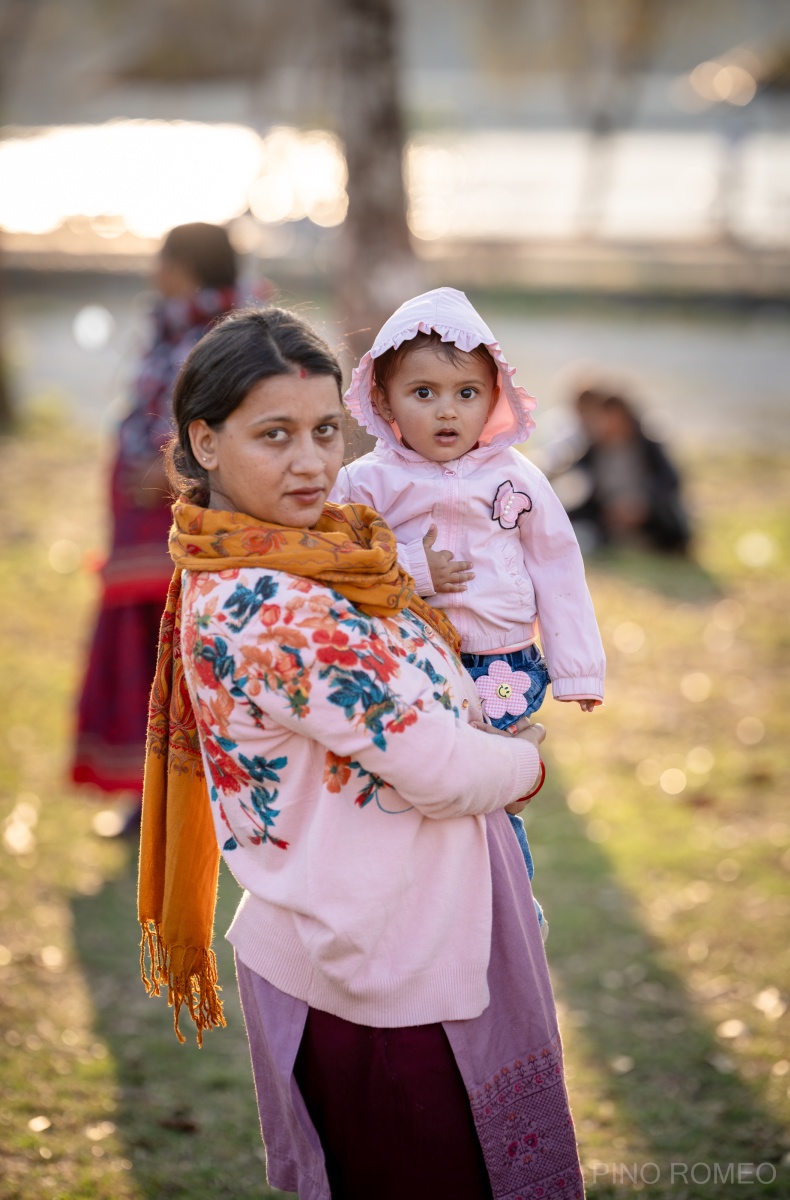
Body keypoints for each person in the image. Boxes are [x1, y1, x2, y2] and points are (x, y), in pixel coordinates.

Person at [138, 307, 587, 1200]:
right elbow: (440, 768)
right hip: (373, 976)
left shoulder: (318, 557)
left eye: (323, 432)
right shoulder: (275, 606)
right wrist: (526, 762)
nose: (311, 462)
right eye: (275, 435)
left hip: (375, 938)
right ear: (206, 441)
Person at [330, 286, 605, 929]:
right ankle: (423, 911)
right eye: (422, 393)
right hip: (413, 664)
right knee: (429, 792)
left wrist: (578, 670)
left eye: (466, 393)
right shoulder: (367, 483)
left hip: (505, 663)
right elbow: (342, 565)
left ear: (495, 397)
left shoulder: (516, 479)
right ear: (383, 399)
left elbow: (560, 570)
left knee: (494, 795)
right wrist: (417, 570)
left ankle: (510, 906)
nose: (446, 411)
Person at [71, 222, 241, 825]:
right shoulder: (172, 324)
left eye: (162, 258)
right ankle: (148, 791)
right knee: (147, 656)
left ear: (186, 266)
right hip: (142, 520)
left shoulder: (228, 337)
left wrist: (168, 471)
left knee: (180, 657)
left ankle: (184, 794)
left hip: (183, 519)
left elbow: (224, 427)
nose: (153, 268)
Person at [554, 388, 692, 555]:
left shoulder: (647, 446)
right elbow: (576, 481)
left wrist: (642, 504)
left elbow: (669, 480)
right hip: (606, 514)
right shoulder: (592, 450)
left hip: (647, 511)